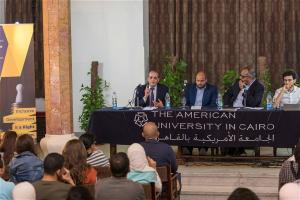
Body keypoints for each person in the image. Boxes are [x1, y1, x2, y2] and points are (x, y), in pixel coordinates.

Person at [183, 71, 218, 155]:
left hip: (205, 114)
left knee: (203, 124)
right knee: (186, 124)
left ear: (206, 80)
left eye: (202, 81)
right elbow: (186, 103)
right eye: (198, 81)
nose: (199, 83)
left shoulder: (212, 89)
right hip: (191, 114)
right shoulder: (189, 88)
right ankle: (188, 147)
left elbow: (213, 105)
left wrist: (202, 111)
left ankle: (203, 147)